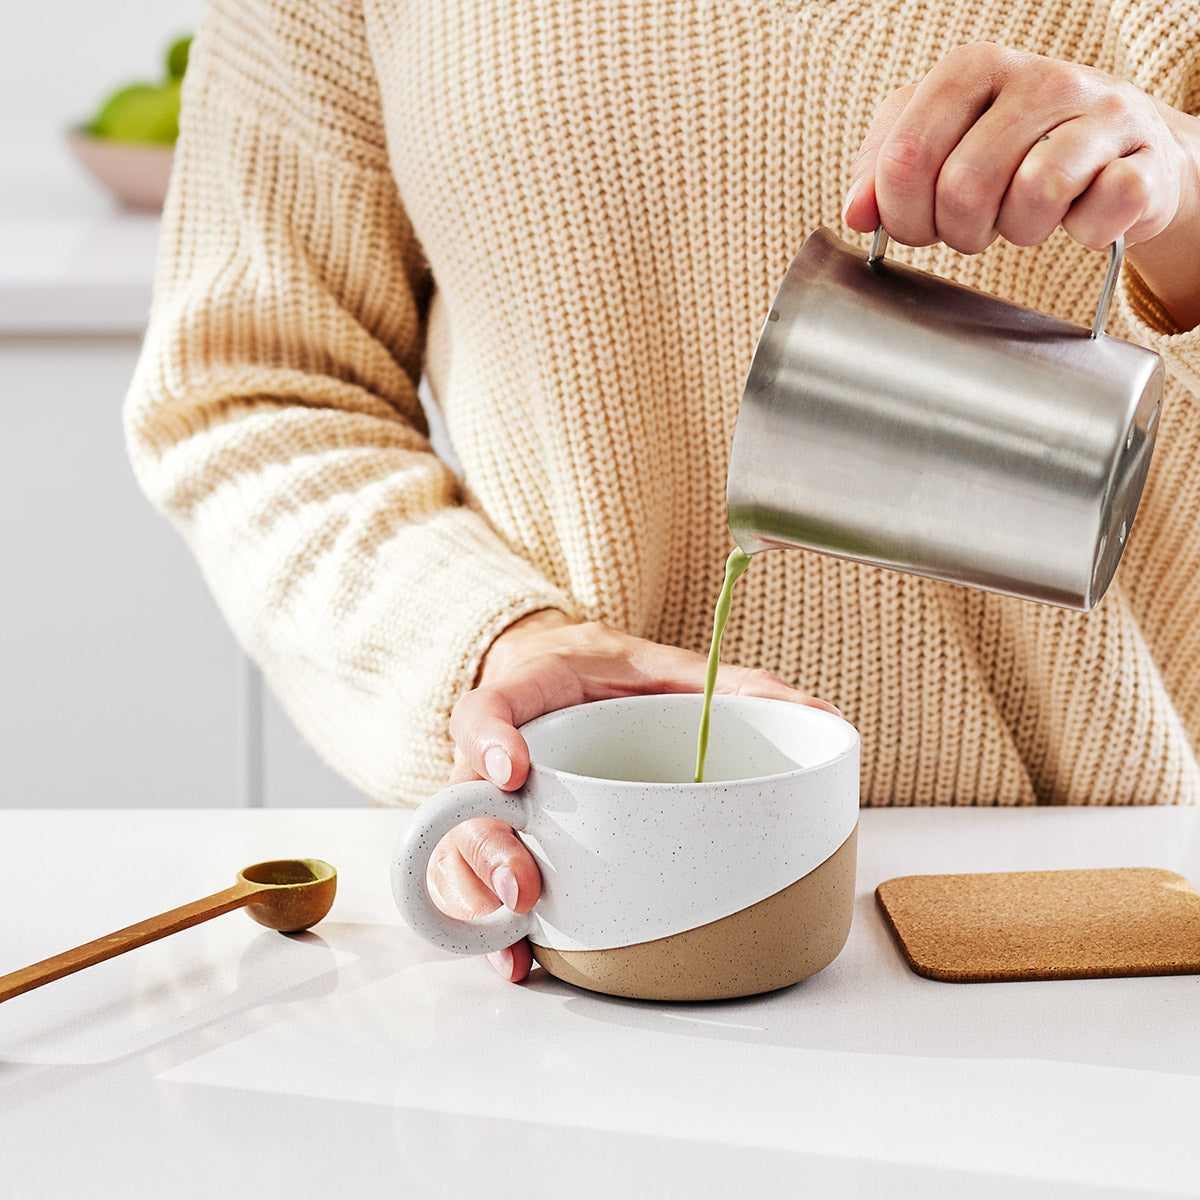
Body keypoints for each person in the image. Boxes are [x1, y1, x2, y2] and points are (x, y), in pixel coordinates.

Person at [125, 1, 1200, 983]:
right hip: (585, 905)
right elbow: (255, 391)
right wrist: (491, 645)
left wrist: (1187, 197)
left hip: (1086, 913)